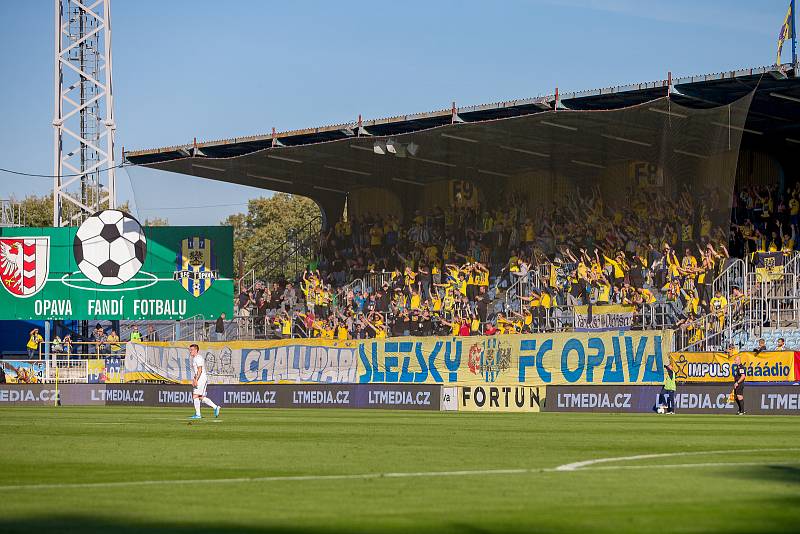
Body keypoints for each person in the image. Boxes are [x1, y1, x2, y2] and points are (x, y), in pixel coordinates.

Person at [188, 343, 221, 420]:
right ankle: (216, 407)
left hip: (201, 379)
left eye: (192, 350)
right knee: (200, 397)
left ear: (196, 350)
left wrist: (196, 379)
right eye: (190, 350)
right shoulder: (195, 358)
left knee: (195, 396)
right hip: (201, 378)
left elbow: (200, 370)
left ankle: (198, 414)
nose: (190, 351)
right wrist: (194, 379)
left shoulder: (198, 358)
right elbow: (197, 371)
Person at [730, 351, 746, 415]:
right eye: (735, 360)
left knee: (739, 396)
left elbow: (743, 376)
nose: (735, 361)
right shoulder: (737, 367)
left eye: (736, 360)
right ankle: (740, 410)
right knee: (736, 397)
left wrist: (737, 382)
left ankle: (742, 411)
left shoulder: (741, 367)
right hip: (737, 383)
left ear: (739, 360)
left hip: (740, 384)